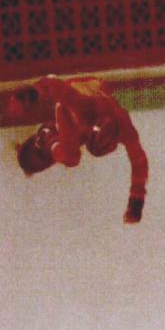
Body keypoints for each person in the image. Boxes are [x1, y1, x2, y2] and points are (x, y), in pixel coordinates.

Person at [9, 75, 149, 224]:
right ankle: (47, 135)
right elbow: (51, 84)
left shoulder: (125, 129)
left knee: (71, 157)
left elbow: (139, 163)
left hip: (83, 108)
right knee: (71, 158)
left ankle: (49, 138)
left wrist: (135, 204)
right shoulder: (84, 106)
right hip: (73, 105)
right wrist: (23, 97)